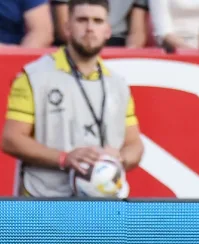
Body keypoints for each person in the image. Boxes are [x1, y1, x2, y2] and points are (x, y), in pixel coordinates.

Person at [1, 0, 143, 198]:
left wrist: (119, 158)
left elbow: (134, 144)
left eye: (97, 21)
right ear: (67, 27)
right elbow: (11, 139)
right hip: (44, 201)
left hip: (104, 203)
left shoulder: (118, 84)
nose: (90, 28)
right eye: (82, 20)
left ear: (108, 31)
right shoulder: (33, 77)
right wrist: (63, 158)